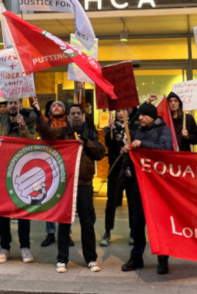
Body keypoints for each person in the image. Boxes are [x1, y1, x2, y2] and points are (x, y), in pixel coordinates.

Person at [37, 103, 105, 273]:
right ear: (67, 117)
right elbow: (46, 133)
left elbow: (100, 152)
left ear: (82, 116)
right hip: (66, 184)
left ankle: (91, 259)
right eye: (72, 113)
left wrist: (87, 142)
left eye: (78, 113)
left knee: (87, 223)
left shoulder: (90, 133)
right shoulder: (61, 133)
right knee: (64, 222)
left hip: (84, 184)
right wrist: (38, 113)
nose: (76, 116)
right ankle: (62, 259)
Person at [121, 102, 174, 275]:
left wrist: (141, 144)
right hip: (139, 182)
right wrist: (128, 150)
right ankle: (136, 256)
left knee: (159, 222)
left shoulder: (163, 130)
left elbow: (165, 148)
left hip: (158, 185)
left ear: (153, 116)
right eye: (140, 115)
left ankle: (162, 258)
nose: (140, 118)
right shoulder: (139, 130)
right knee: (137, 221)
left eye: (143, 115)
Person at [0, 100, 36, 264]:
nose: (12, 106)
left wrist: (23, 127)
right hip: (2, 174)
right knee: (2, 213)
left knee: (23, 212)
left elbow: (32, 142)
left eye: (15, 103)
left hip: (21, 174)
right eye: (10, 103)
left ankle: (25, 247)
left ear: (20, 106)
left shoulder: (27, 123)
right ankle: (5, 247)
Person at [101, 108, 137, 246]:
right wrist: (110, 131)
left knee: (132, 202)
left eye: (124, 110)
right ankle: (107, 231)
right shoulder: (111, 127)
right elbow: (108, 145)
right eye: (118, 111)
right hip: (116, 168)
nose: (121, 113)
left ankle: (133, 232)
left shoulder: (134, 127)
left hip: (130, 168)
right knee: (111, 201)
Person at [40, 100, 74, 248]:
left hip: (66, 165)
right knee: (49, 198)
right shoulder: (46, 122)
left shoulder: (70, 122)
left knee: (66, 201)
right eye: (54, 105)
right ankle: (50, 233)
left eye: (59, 105)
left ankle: (66, 233)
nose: (56, 107)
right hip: (50, 164)